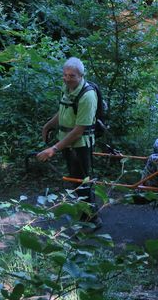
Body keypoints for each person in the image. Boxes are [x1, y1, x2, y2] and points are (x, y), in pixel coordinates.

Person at [37, 57, 101, 228]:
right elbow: (63, 111)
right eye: (65, 75)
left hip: (80, 145)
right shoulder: (66, 89)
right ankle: (83, 215)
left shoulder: (87, 95)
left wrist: (54, 149)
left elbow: (80, 129)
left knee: (83, 181)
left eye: (72, 76)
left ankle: (92, 220)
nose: (67, 78)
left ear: (81, 76)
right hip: (66, 143)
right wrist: (47, 126)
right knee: (75, 180)